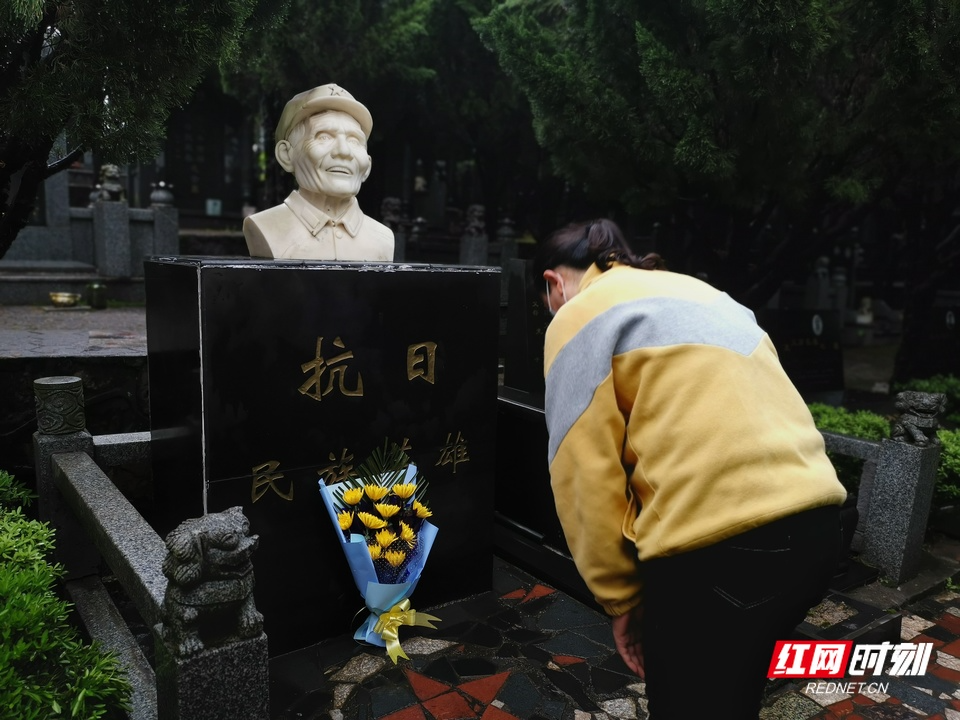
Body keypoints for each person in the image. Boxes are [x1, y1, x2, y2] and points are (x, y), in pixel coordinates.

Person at [533, 218, 847, 719]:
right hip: (820, 526)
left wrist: (619, 599)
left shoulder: (578, 315)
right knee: (730, 691)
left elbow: (583, 478)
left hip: (719, 549)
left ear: (553, 283)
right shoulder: (707, 293)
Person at [243, 84, 394, 261]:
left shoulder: (384, 238)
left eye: (354, 141)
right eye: (324, 136)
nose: (344, 151)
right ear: (286, 155)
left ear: (367, 165)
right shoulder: (266, 227)